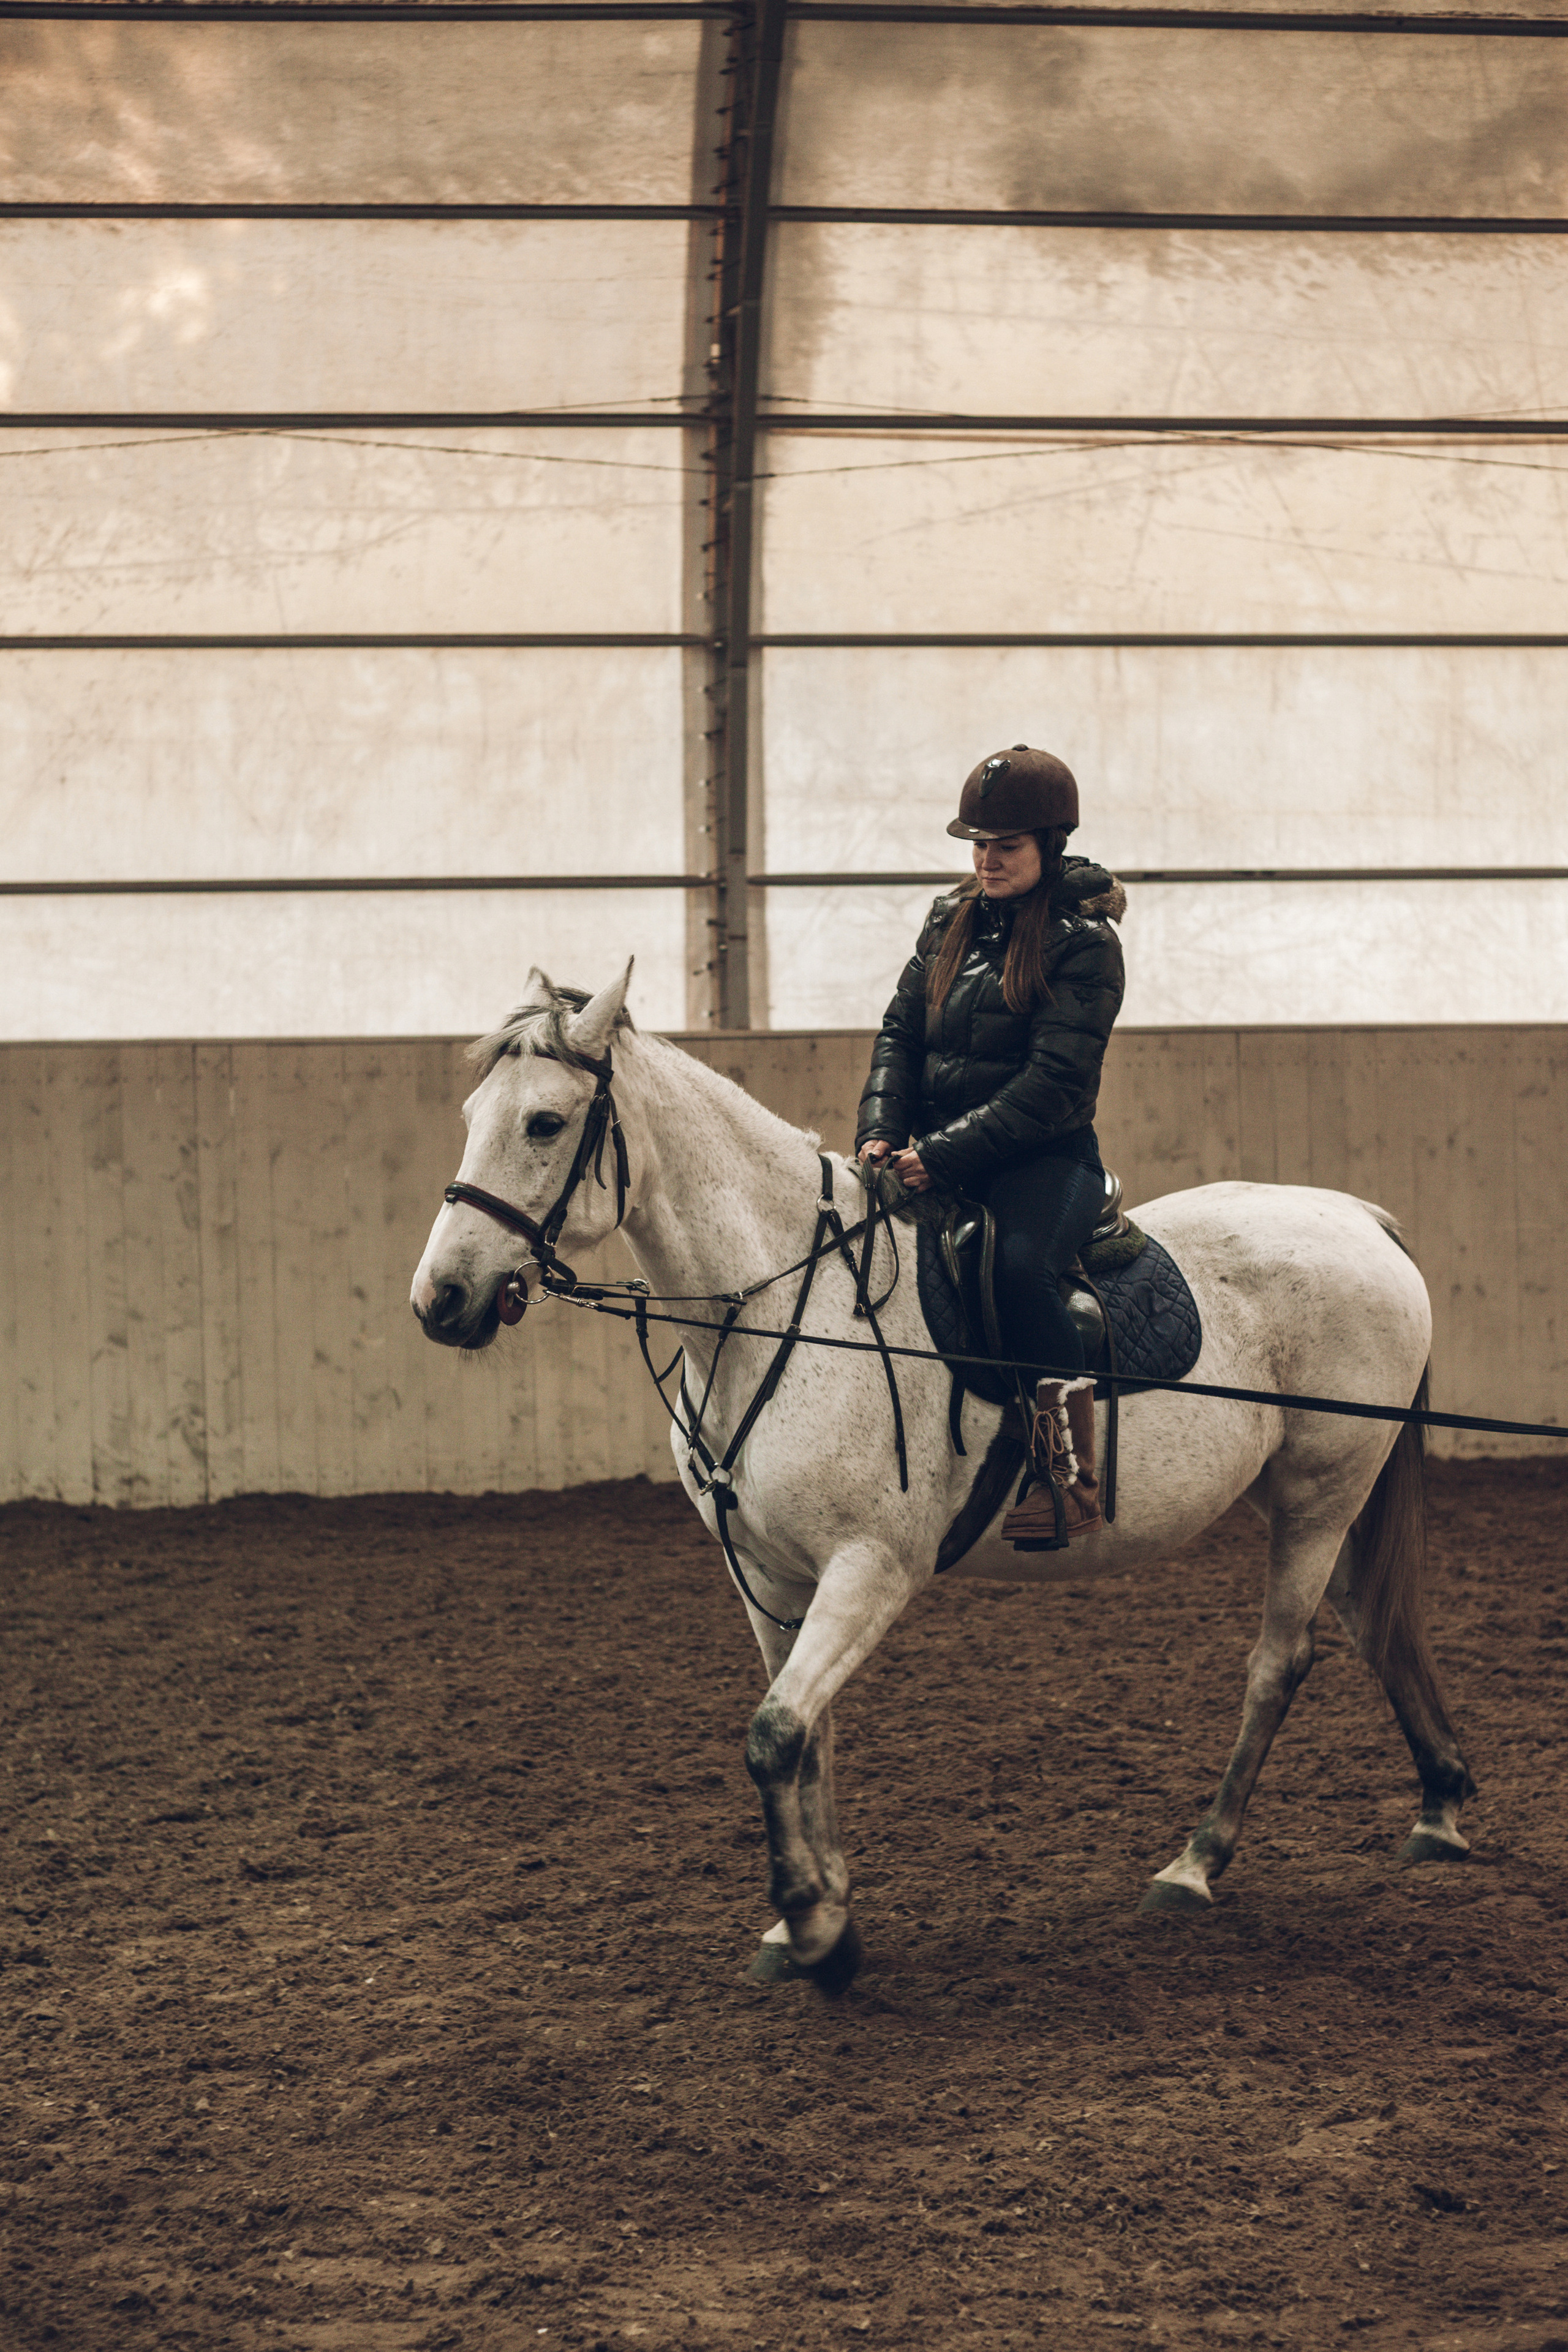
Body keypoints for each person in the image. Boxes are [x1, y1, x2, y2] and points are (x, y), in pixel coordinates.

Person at [856, 745, 1125, 1545]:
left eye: (1004, 848)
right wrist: (879, 1131)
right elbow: (901, 1033)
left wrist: (940, 1156)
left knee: (1017, 1269)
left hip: (1044, 1161)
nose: (986, 861)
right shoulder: (949, 920)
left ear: (1050, 845)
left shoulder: (1085, 944)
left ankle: (1069, 1477)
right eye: (977, 846)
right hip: (933, 1150)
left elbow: (1051, 1086)